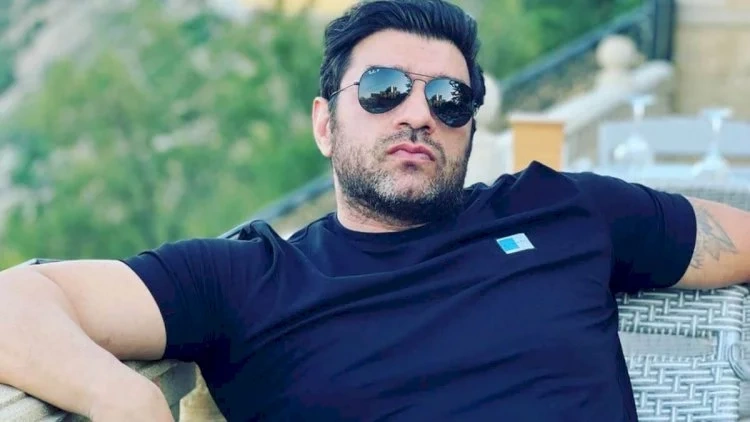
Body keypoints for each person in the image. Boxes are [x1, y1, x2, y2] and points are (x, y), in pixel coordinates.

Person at [0, 0, 749, 420]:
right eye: (385, 89)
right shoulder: (249, 280)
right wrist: (123, 399)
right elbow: (16, 301)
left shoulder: (564, 211)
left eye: (449, 99)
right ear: (325, 122)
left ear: (469, 131)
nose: (419, 114)